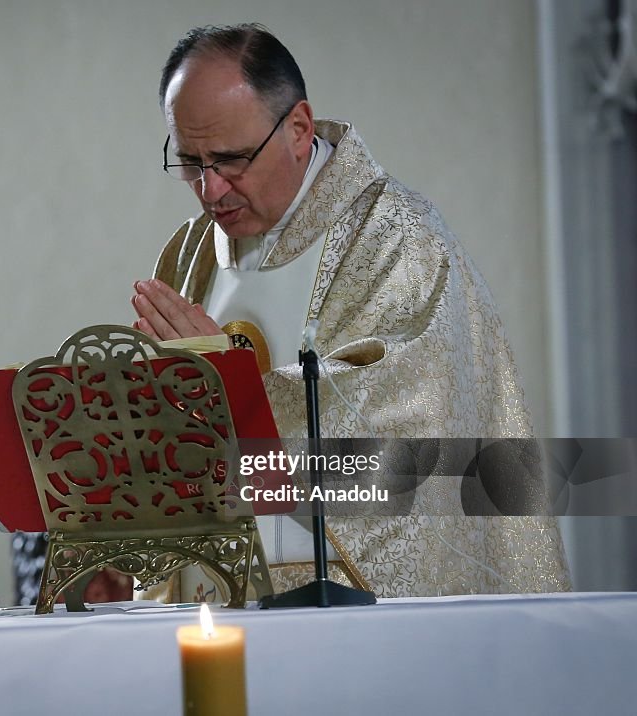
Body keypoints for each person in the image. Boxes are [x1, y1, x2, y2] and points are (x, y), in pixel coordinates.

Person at [130, 23, 570, 599]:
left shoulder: (397, 240)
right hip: (213, 598)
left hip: (345, 602)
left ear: (297, 128)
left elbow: (405, 455)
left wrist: (231, 389)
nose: (211, 190)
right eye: (189, 162)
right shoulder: (191, 253)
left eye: (231, 159)